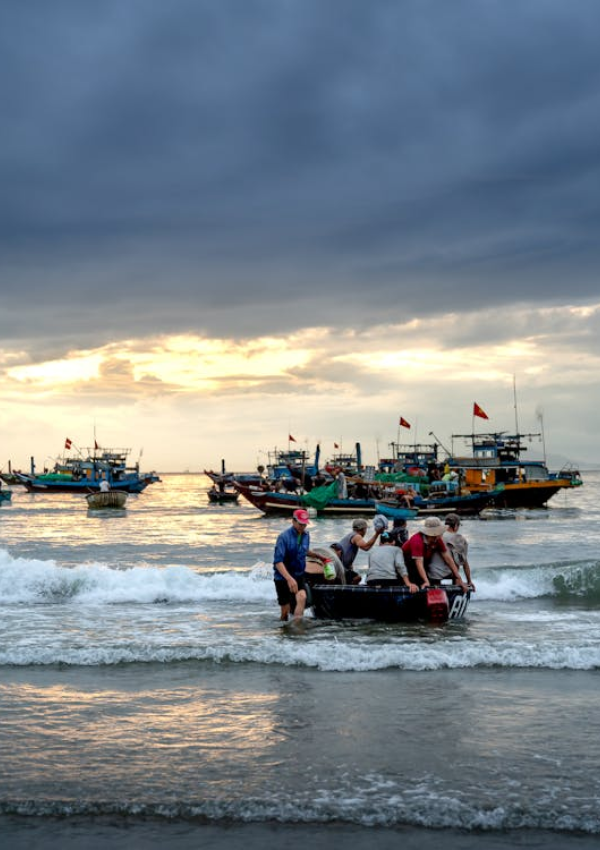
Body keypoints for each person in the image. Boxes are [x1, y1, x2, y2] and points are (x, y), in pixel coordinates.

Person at [273, 508, 326, 621]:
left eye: (305, 524)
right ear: (293, 521)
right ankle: (283, 629)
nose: (303, 527)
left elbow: (304, 550)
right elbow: (278, 562)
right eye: (300, 524)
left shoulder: (306, 535)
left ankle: (297, 627)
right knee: (285, 612)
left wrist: (318, 556)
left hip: (299, 574)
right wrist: (289, 579)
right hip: (283, 577)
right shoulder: (283, 537)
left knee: (302, 597)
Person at [401, 516, 468, 591]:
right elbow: (419, 563)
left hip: (423, 562)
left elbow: (448, 558)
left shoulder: (437, 539)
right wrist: (426, 581)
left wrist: (458, 577)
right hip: (406, 563)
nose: (437, 537)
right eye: (434, 536)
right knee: (420, 583)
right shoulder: (417, 540)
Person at [336, 518, 382, 584]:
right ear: (363, 529)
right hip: (340, 567)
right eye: (366, 529)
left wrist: (350, 565)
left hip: (341, 566)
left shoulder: (351, 534)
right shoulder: (356, 536)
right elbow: (366, 547)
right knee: (357, 578)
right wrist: (377, 534)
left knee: (354, 577)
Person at [440, 513, 475, 591]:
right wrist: (469, 581)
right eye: (458, 526)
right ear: (455, 525)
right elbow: (465, 563)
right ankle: (456, 583)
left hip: (434, 572)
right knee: (459, 558)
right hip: (450, 573)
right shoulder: (459, 539)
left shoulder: (437, 536)